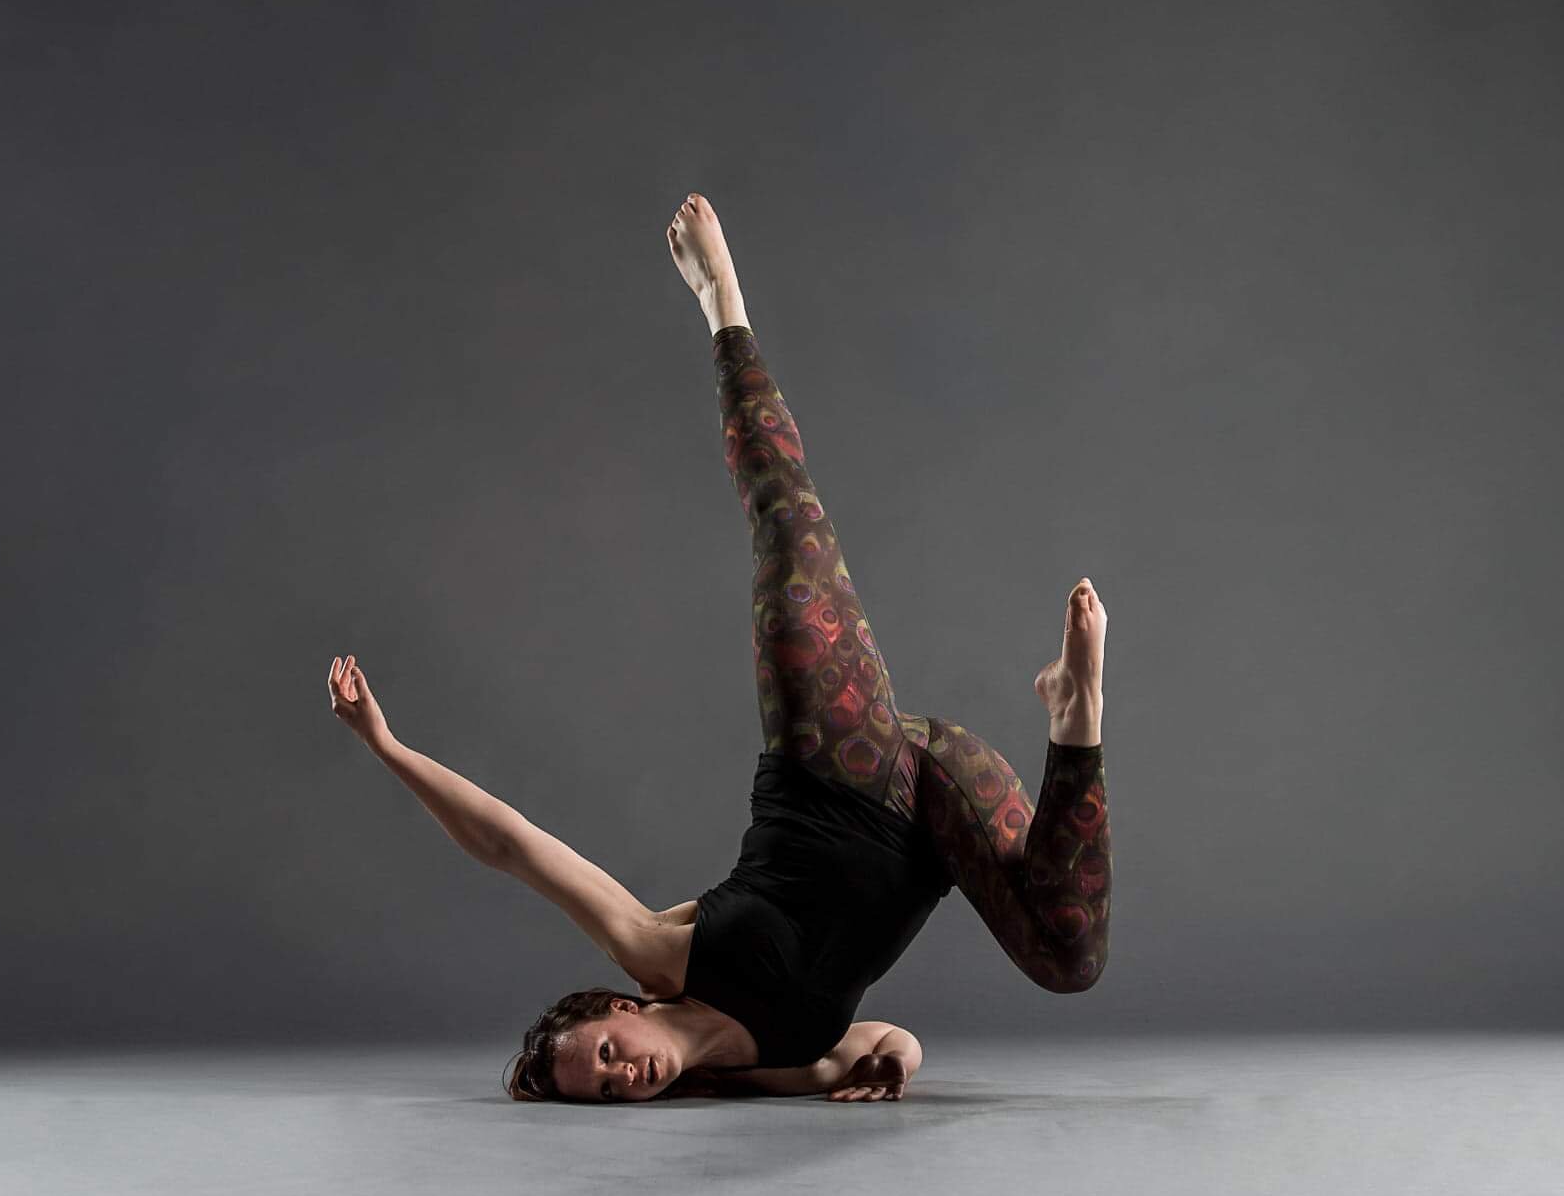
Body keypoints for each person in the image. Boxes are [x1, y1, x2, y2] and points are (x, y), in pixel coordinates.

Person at [325, 193, 1110, 1105]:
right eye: (613, 1089)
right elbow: (892, 1035)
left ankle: (721, 304)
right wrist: (893, 1064)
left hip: (835, 761)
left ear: (617, 1005)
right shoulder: (771, 1073)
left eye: (607, 1052)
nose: (627, 1071)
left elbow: (512, 845)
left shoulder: (657, 950)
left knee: (788, 532)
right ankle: (1076, 717)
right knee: (1067, 960)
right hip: (940, 808)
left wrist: (387, 749)